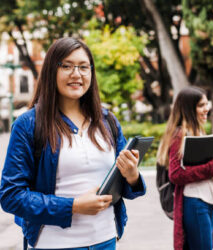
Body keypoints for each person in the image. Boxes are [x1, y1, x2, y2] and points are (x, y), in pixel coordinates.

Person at [0, 37, 146, 250]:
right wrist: (73, 206)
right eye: (66, 66)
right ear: (52, 70)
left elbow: (122, 186)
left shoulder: (108, 121)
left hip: (105, 240)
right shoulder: (28, 124)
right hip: (54, 244)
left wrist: (132, 176)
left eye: (84, 67)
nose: (76, 74)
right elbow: (11, 196)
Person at [157, 86, 213, 250]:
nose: (207, 108)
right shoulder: (180, 135)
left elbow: (204, 165)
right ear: (189, 109)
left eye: (206, 104)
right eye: (201, 105)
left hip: (209, 201)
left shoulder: (198, 131)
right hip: (195, 203)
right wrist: (211, 167)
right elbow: (176, 174)